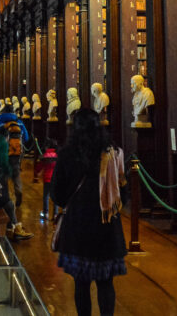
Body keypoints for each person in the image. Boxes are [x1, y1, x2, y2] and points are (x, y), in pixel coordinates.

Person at [52, 108, 127, 315]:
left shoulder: (67, 154)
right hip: (106, 227)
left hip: (78, 227)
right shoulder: (113, 153)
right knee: (106, 284)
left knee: (81, 285)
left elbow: (57, 195)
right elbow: (123, 193)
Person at [0, 104, 30, 206]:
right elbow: (26, 137)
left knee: (2, 176)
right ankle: (18, 190)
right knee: (16, 173)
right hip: (16, 153)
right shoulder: (19, 123)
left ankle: (5, 198)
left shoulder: (0, 123)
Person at [34, 138, 59, 220]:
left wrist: (37, 173)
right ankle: (55, 215)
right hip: (55, 179)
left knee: (46, 196)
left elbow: (38, 167)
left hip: (47, 179)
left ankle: (46, 213)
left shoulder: (44, 156)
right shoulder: (57, 155)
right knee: (55, 197)